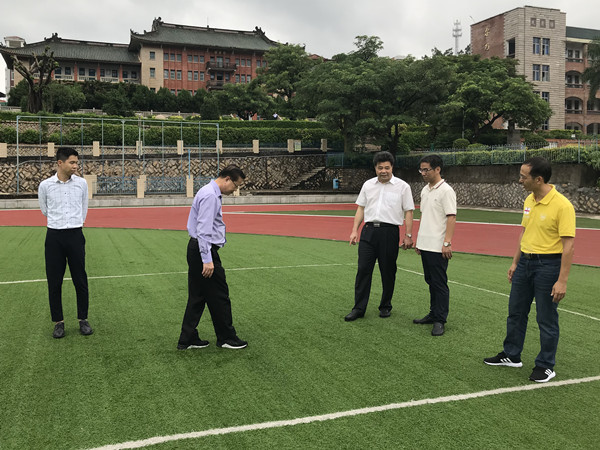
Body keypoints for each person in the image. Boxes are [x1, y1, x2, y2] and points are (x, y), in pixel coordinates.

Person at [484, 157, 575, 383]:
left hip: (548, 266)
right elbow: (524, 233)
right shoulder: (529, 199)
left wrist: (562, 280)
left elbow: (568, 246)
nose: (520, 180)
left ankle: (546, 365)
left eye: (523, 177)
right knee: (515, 312)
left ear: (539, 179)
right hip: (525, 263)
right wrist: (515, 263)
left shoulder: (562, 205)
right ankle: (511, 355)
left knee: (546, 317)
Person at [177, 165, 248, 350]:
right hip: (204, 250)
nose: (235, 190)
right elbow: (203, 230)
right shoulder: (210, 195)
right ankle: (226, 337)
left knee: (198, 296)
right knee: (219, 294)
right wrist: (207, 259)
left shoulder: (208, 191)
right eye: (236, 185)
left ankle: (187, 338)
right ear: (227, 179)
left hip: (197, 249)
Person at [345, 151, 414, 321]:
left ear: (392, 167)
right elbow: (361, 208)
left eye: (387, 168)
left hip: (389, 232)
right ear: (375, 168)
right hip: (368, 232)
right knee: (363, 270)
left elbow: (409, 211)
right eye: (380, 168)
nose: (384, 171)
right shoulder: (368, 185)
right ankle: (358, 308)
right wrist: (354, 230)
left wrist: (408, 235)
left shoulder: (403, 187)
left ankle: (385, 306)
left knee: (388, 271)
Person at [38, 147, 93, 339]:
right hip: (54, 236)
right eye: (72, 162)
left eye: (77, 162)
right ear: (60, 163)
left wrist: (76, 223)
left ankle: (83, 319)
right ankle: (58, 322)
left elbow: (84, 207)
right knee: (54, 281)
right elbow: (45, 210)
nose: (76, 166)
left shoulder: (82, 184)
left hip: (75, 235)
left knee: (80, 279)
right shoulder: (45, 185)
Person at [413, 154, 456, 336]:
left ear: (437, 169)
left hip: (438, 246)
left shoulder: (446, 191)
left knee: (439, 283)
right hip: (425, 244)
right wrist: (419, 240)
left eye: (426, 169)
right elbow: (424, 216)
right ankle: (433, 313)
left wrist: (447, 242)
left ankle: (440, 319)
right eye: (421, 170)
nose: (423, 173)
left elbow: (451, 217)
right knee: (430, 280)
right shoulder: (425, 190)